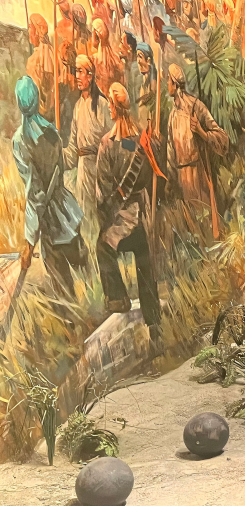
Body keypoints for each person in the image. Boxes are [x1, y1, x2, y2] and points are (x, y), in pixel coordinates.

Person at [12, 76, 87, 302]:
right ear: (37, 99)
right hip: (68, 212)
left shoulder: (20, 141)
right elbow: (60, 172)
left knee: (63, 289)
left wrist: (29, 243)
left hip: (50, 222)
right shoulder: (52, 132)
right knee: (82, 273)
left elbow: (35, 196)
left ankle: (74, 320)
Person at [96, 83, 163, 331]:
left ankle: (118, 299)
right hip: (142, 217)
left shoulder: (108, 143)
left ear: (115, 108)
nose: (109, 108)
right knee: (144, 259)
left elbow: (101, 193)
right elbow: (151, 177)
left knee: (102, 247)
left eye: (110, 104)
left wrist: (105, 217)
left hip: (121, 221)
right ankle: (153, 320)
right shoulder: (140, 142)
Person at [165, 62, 228, 212]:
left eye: (168, 80)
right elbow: (170, 152)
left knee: (203, 218)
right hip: (182, 181)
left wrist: (202, 133)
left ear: (175, 84)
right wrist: (170, 181)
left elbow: (223, 139)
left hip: (198, 177)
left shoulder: (196, 107)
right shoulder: (172, 116)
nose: (167, 83)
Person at [63, 55, 112, 242]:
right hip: (83, 171)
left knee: (100, 218)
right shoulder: (77, 107)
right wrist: (58, 157)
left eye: (80, 71)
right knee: (84, 219)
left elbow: (114, 141)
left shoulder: (103, 105)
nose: (77, 76)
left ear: (90, 75)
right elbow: (72, 148)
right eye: (75, 71)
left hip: (99, 171)